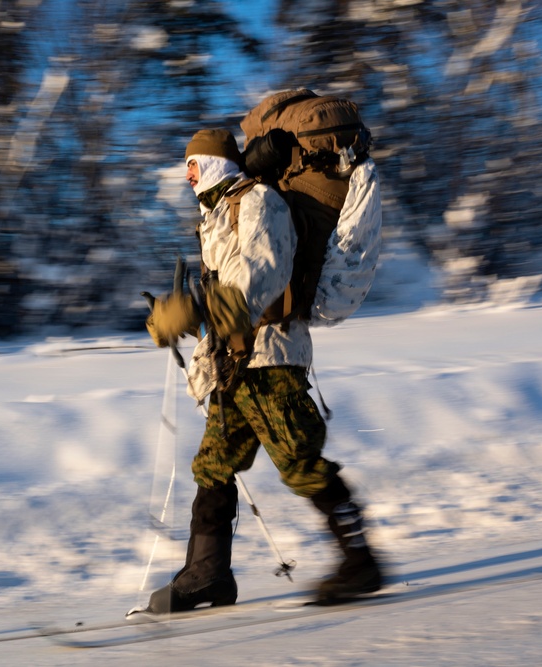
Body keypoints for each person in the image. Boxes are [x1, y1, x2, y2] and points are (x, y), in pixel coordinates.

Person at [144, 128, 382, 613]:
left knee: (300, 462)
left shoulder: (257, 201)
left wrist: (192, 309)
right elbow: (228, 292)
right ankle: (207, 574)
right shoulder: (215, 215)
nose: (187, 173)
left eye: (193, 162)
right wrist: (187, 319)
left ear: (214, 163)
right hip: (235, 366)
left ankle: (360, 561)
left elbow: (265, 275)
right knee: (213, 464)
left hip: (270, 360)